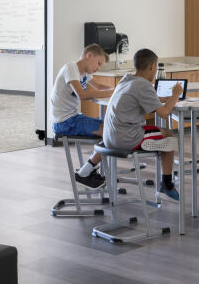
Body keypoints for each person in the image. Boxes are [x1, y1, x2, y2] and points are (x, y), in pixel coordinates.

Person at [98, 48, 184, 200]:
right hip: (126, 138)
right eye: (156, 68)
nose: (155, 71)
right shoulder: (143, 85)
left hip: (109, 137)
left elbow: (141, 98)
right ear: (152, 66)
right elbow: (164, 114)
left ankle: (162, 163)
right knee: (169, 135)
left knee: (159, 134)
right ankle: (167, 183)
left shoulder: (126, 80)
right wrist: (176, 95)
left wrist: (161, 99)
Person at [51, 44, 113, 187]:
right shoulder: (71, 68)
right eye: (98, 63)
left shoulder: (84, 73)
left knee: (111, 128)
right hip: (65, 122)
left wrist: (118, 89)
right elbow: (82, 95)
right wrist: (113, 92)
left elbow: (100, 87)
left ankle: (90, 170)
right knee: (111, 133)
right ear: (89, 55)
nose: (98, 68)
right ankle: (85, 172)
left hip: (74, 118)